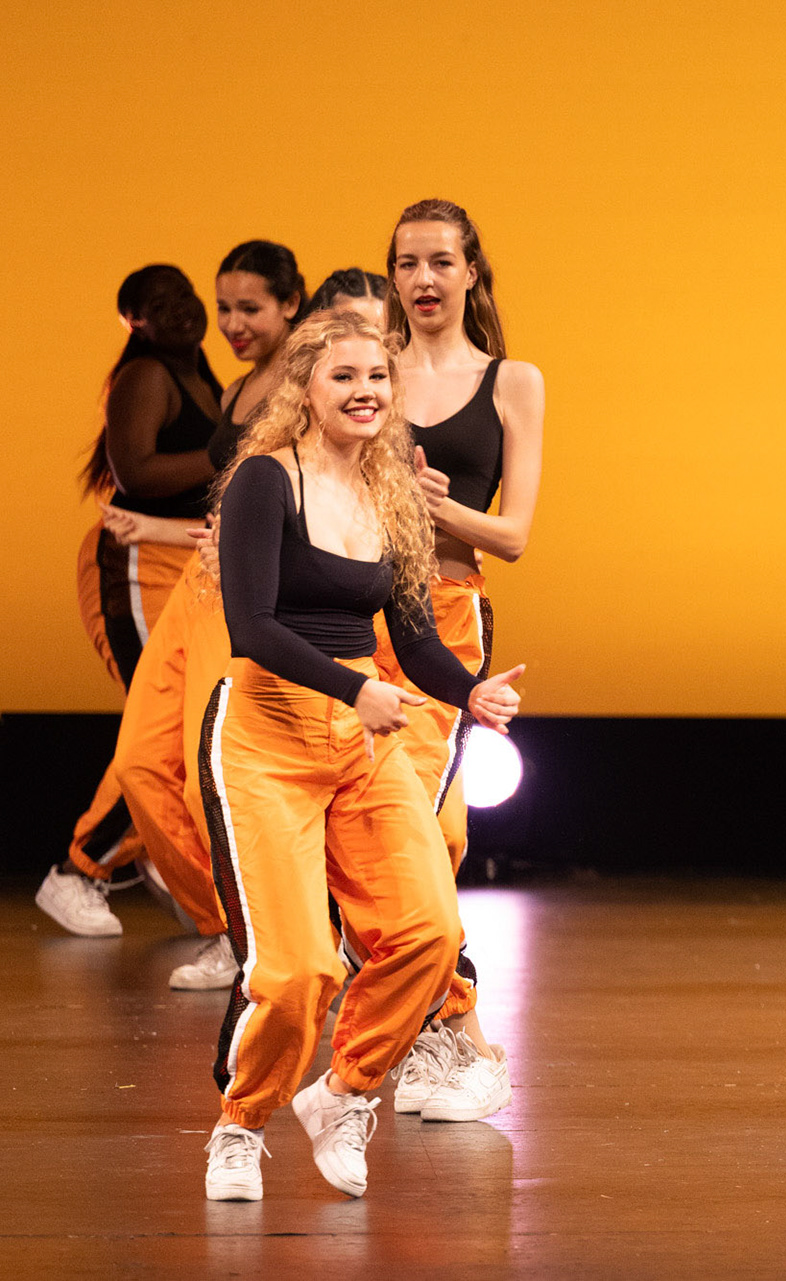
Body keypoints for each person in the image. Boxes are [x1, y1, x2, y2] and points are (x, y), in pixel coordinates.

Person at [198, 309, 524, 1201]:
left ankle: (342, 1093)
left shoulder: (392, 492)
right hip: (266, 731)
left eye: (377, 377)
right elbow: (252, 626)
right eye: (343, 376)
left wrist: (471, 692)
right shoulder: (267, 480)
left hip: (361, 737)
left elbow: (413, 640)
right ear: (305, 387)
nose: (364, 392)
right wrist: (353, 689)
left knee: (429, 932)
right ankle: (239, 1125)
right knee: (298, 970)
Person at [99, 244, 309, 981]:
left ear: (291, 303)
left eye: (250, 308)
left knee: (207, 776)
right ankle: (231, 924)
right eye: (225, 308)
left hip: (249, 595)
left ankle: (253, 937)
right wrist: (158, 531)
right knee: (140, 766)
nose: (232, 323)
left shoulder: (309, 380)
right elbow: (227, 513)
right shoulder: (237, 389)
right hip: (198, 583)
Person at [377, 200, 544, 1123]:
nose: (424, 280)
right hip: (358, 615)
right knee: (395, 833)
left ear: (471, 271)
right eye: (408, 264)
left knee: (422, 830)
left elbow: (512, 535)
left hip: (445, 616)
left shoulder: (512, 381)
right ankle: (440, 1034)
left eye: (441, 261)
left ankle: (462, 1040)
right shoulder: (371, 371)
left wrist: (434, 507)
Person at [38, 266, 222, 938]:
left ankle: (152, 852)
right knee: (165, 727)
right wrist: (230, 451)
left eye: (184, 294)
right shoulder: (146, 375)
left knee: (190, 724)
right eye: (156, 304)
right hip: (136, 561)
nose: (178, 309)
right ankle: (79, 870)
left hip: (187, 559)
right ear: (134, 323)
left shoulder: (204, 377)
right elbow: (136, 471)